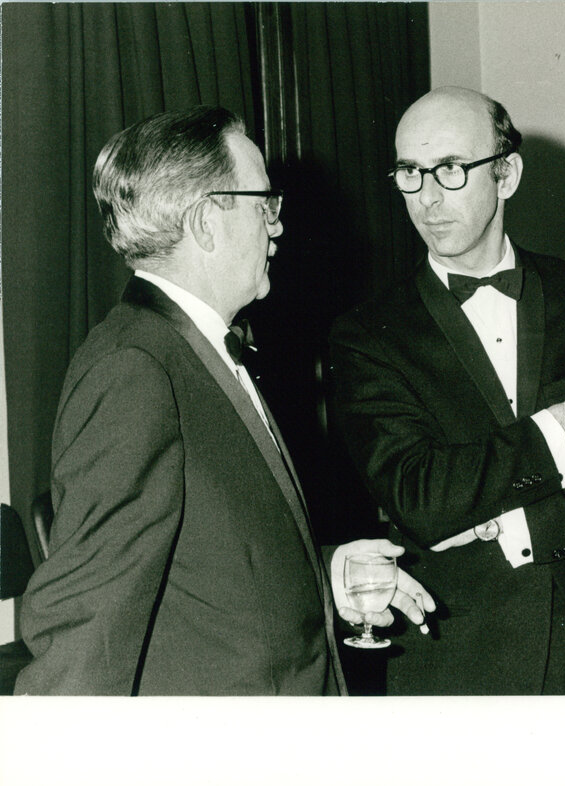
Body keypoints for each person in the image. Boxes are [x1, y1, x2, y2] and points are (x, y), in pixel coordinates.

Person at [15, 106, 432, 695]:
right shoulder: (134, 368)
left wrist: (326, 571)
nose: (278, 228)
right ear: (209, 221)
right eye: (266, 206)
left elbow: (214, 558)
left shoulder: (191, 349)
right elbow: (89, 623)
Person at [328, 87, 565, 695]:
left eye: (451, 170)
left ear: (506, 173)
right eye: (410, 172)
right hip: (458, 657)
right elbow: (422, 496)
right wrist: (563, 425)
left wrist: (508, 529)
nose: (427, 197)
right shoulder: (367, 335)